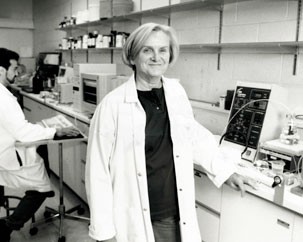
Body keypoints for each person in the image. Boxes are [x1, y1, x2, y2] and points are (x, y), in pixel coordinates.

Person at [85, 23, 255, 242]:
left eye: (162, 50)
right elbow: (97, 172)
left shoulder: (176, 92)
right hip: (141, 213)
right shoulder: (113, 105)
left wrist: (226, 171)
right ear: (133, 55)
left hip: (177, 208)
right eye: (147, 50)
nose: (157, 57)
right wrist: (104, 232)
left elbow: (193, 136)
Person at [0, 48, 79, 242]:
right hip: (8, 153)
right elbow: (23, 133)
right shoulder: (3, 98)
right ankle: (7, 227)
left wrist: (40, 129)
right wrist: (53, 131)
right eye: (14, 68)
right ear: (0, 70)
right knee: (43, 187)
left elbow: (17, 127)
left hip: (7, 145)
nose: (17, 73)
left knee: (41, 151)